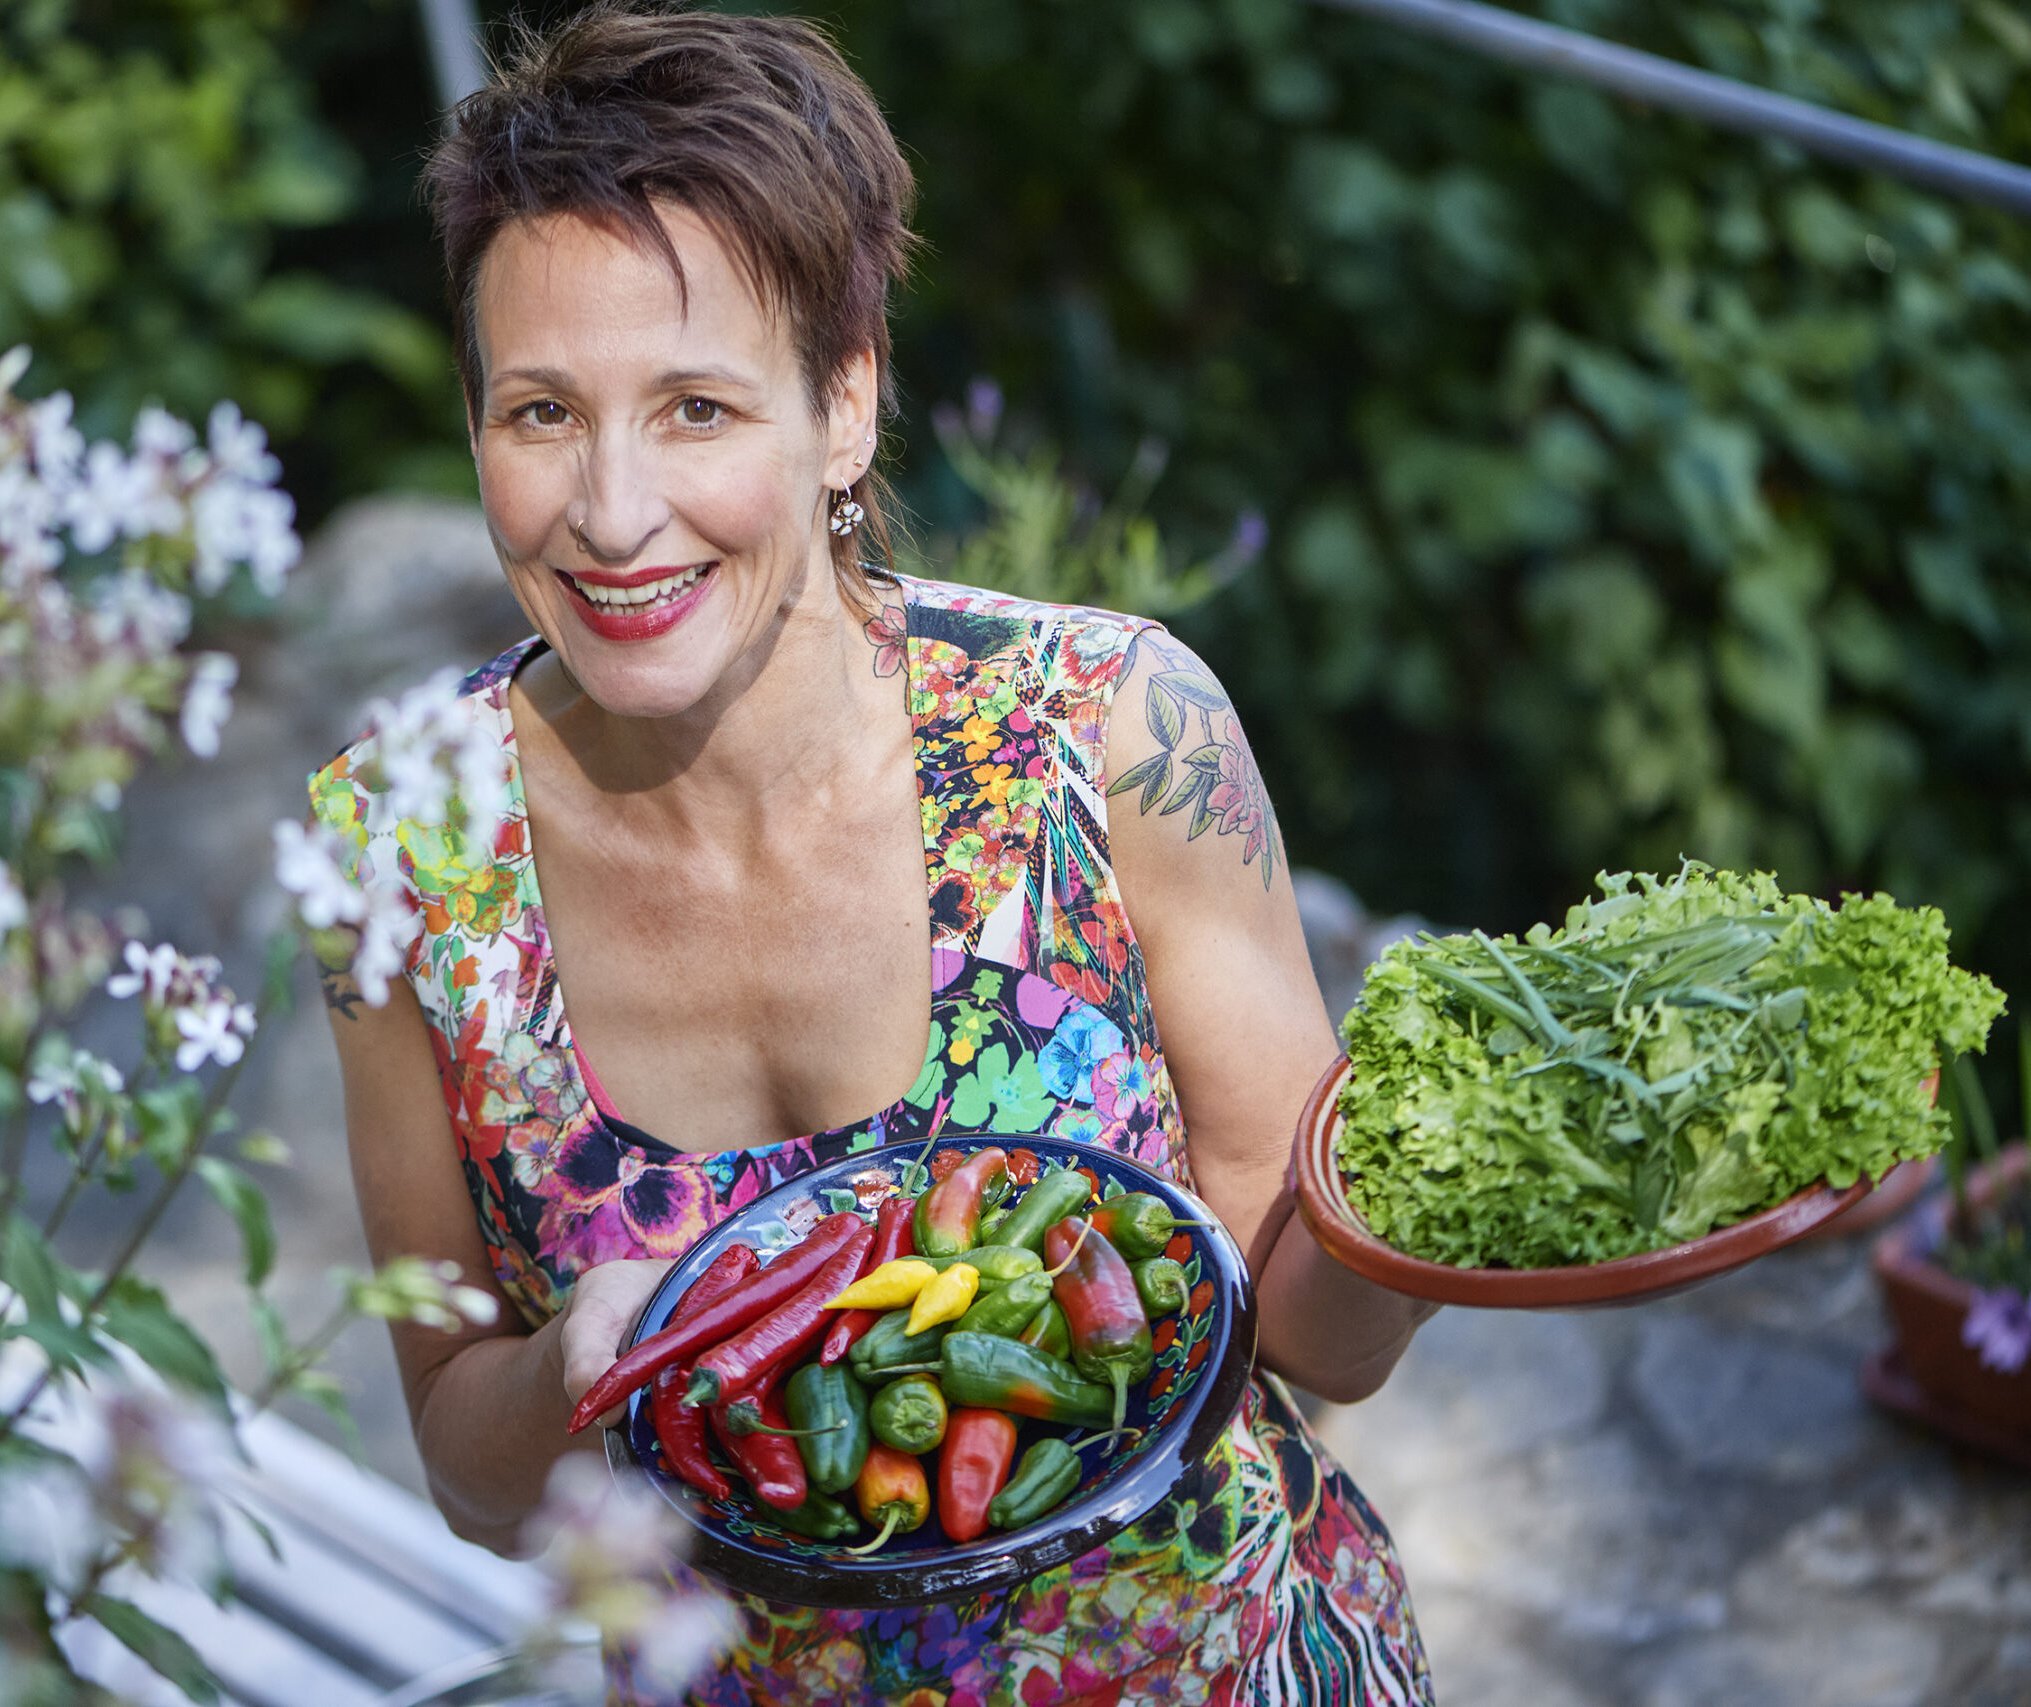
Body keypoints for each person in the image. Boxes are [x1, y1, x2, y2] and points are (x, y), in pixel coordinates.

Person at [313, 7, 1439, 1700]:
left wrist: (1435, 1219)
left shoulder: (1109, 727)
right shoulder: (397, 852)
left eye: (697, 409)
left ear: (846, 408)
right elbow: (475, 1480)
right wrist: (575, 1368)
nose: (612, 512)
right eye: (543, 412)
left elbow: (1307, 1335)